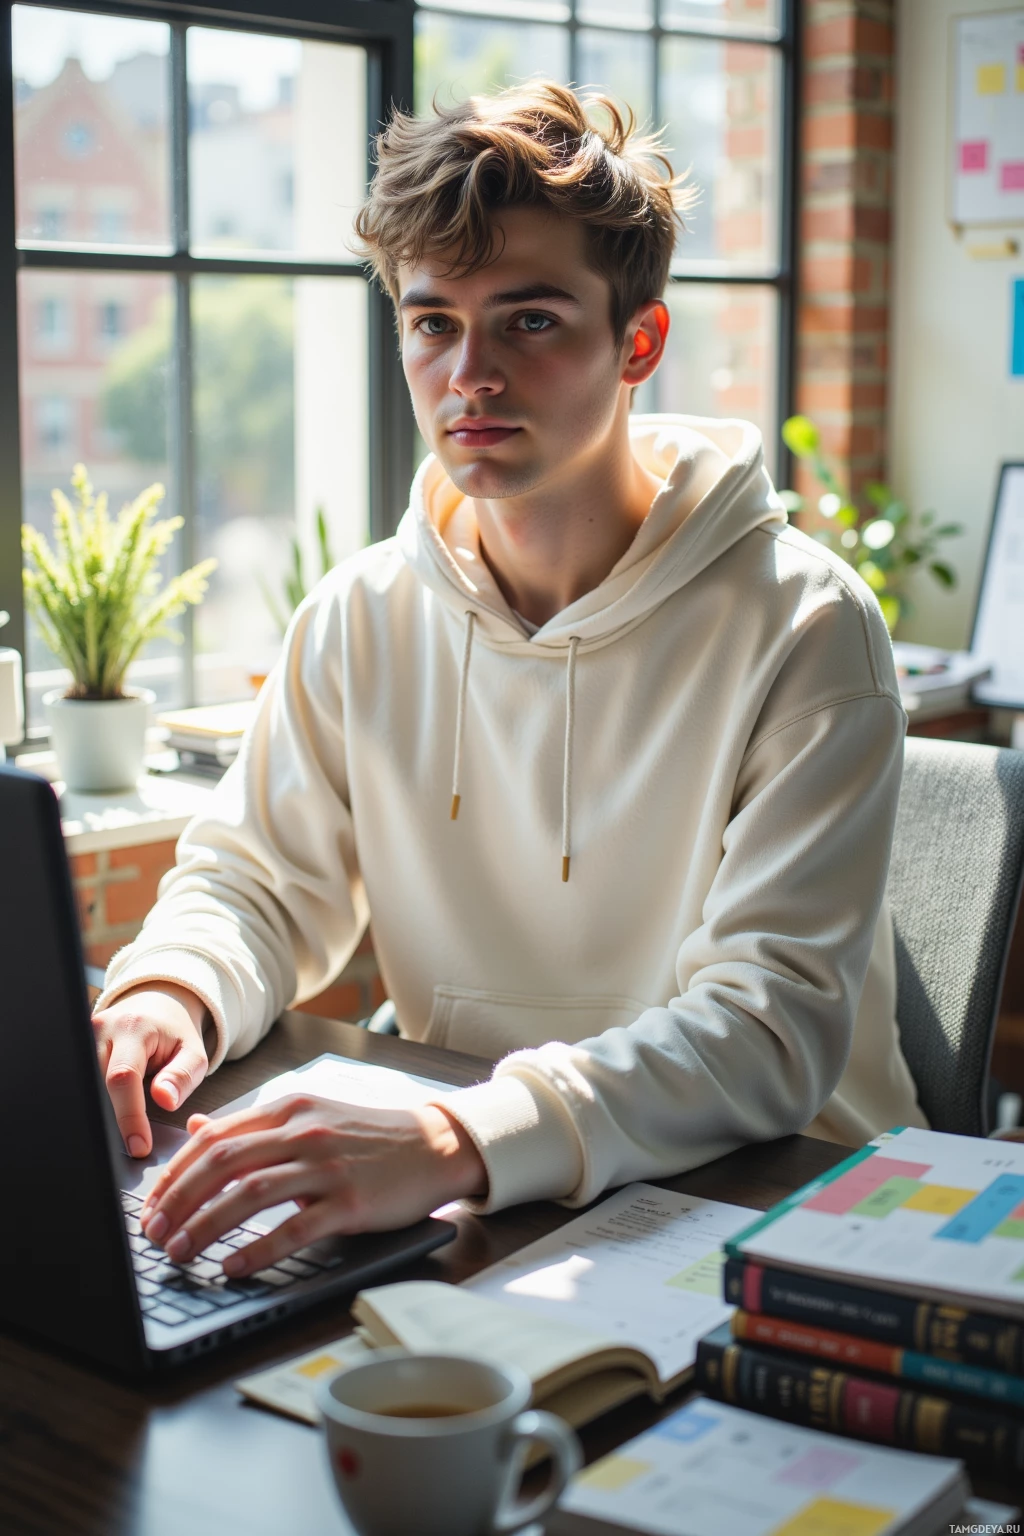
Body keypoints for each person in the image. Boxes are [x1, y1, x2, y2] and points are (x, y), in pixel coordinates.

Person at [92, 81, 925, 1280]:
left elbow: (766, 1031)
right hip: (483, 1200)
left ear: (635, 341)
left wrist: (449, 1133)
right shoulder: (360, 615)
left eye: (528, 321)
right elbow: (257, 886)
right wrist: (174, 990)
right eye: (432, 324)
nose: (468, 373)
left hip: (773, 1212)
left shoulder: (803, 625)